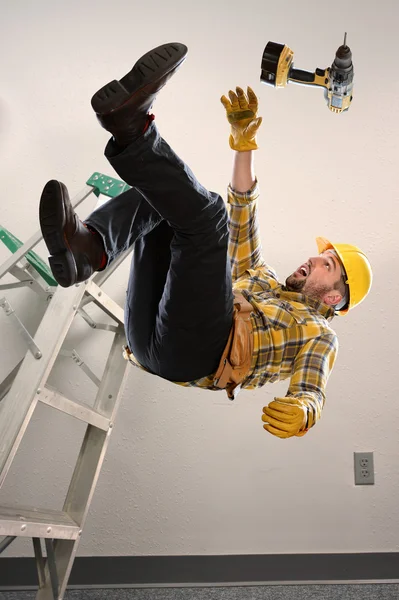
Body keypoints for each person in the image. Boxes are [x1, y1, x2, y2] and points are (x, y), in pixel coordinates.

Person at [38, 42, 372, 439]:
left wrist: (303, 410)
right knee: (169, 203)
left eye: (326, 266)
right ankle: (89, 248)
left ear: (334, 297)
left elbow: (312, 389)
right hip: (148, 335)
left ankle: (133, 131)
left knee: (206, 215)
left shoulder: (320, 333)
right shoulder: (261, 278)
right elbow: (242, 213)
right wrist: (244, 146)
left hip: (199, 354)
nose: (313, 261)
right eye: (320, 257)